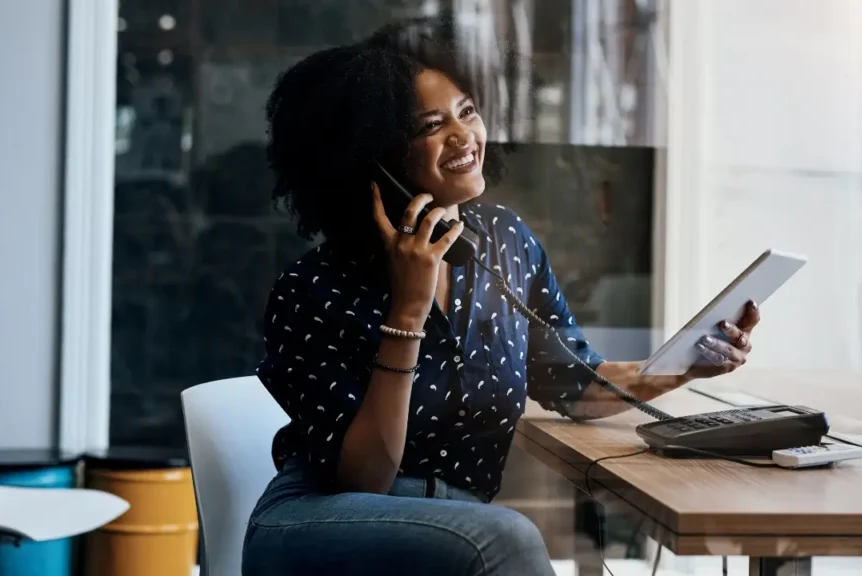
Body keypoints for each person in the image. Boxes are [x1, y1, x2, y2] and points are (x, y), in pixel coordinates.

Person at [242, 28, 760, 576]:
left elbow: (578, 385)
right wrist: (408, 310)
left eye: (468, 112)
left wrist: (688, 363)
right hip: (324, 522)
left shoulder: (503, 242)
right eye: (432, 125)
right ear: (376, 160)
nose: (464, 136)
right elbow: (363, 478)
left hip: (460, 525)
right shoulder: (312, 289)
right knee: (508, 537)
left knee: (504, 537)